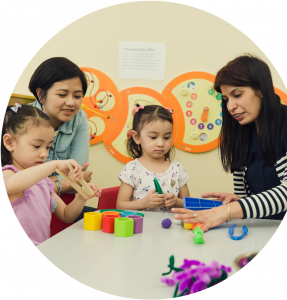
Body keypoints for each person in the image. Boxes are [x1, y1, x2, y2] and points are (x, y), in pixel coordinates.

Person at [172, 54, 287, 231]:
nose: (230, 106)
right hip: (261, 230)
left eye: (237, 95)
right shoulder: (239, 134)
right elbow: (247, 198)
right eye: (226, 99)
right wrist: (239, 201)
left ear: (261, 89)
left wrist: (226, 211)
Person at [0, 104, 101, 246]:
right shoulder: (8, 174)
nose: (44, 154)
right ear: (10, 142)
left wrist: (81, 198)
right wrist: (53, 164)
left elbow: (66, 215)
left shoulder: (44, 183)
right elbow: (11, 186)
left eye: (48, 147)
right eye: (36, 146)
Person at [27, 57, 97, 223]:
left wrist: (71, 184)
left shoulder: (79, 118)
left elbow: (78, 181)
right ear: (41, 95)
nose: (71, 103)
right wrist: (64, 184)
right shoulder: (22, 122)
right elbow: (22, 184)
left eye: (77, 96)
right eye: (62, 94)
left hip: (59, 205)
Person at [117, 104, 190, 212]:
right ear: (137, 137)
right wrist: (143, 203)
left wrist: (177, 202)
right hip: (141, 228)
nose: (161, 143)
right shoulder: (132, 169)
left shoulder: (177, 168)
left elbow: (188, 204)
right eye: (153, 137)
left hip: (172, 228)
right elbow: (120, 206)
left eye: (166, 137)